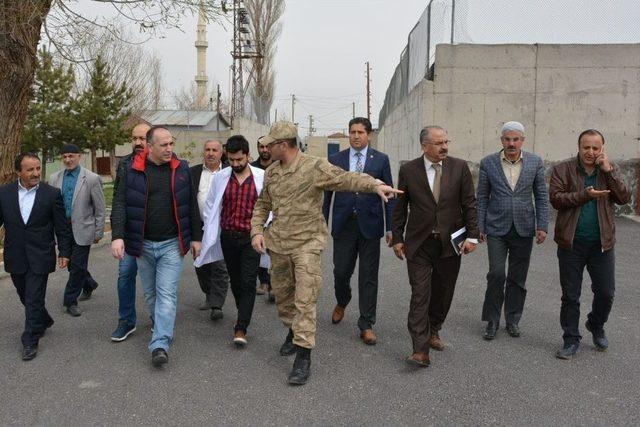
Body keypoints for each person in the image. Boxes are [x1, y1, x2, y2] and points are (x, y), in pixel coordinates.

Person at [250, 121, 401, 385]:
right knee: (284, 300)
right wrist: (256, 231)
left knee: (305, 300)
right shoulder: (272, 172)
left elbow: (345, 178)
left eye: (270, 144)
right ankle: (292, 331)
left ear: (283, 145)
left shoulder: (314, 166)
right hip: (279, 244)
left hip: (307, 243)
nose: (266, 148)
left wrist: (374, 185)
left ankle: (303, 357)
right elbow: (262, 204)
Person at [110, 125, 202, 367]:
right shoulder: (131, 170)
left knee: (167, 295)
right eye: (164, 145)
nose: (170, 149)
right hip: (142, 245)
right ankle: (160, 323)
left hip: (171, 244)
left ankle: (160, 343)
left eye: (172, 144)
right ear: (150, 147)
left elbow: (191, 205)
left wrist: (196, 237)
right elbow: (119, 203)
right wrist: (117, 236)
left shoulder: (181, 169)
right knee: (151, 294)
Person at [392, 125, 478, 368]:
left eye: (446, 142)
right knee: (420, 294)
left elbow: (469, 204)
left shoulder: (459, 167)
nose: (445, 147)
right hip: (418, 244)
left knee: (443, 292)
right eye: (439, 143)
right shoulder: (409, 170)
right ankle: (420, 350)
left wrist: (472, 236)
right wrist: (397, 237)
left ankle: (434, 329)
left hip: (450, 244)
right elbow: (400, 207)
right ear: (424, 146)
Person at [549, 129, 630, 359]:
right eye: (586, 147)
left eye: (596, 148)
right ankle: (570, 339)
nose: (590, 152)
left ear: (602, 149)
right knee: (571, 295)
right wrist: (585, 195)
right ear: (579, 146)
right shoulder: (562, 169)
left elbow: (624, 198)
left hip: (602, 244)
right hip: (571, 243)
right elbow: (556, 199)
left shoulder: (609, 170)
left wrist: (610, 172)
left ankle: (595, 324)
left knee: (605, 292)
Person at [322, 117, 395, 345]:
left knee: (368, 276)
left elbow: (389, 195)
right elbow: (326, 195)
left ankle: (366, 323)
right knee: (341, 272)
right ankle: (342, 300)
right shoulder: (336, 159)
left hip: (370, 225)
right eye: (352, 132)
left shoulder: (381, 160)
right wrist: (321, 224)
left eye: (360, 132)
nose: (355, 136)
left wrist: (391, 226)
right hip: (344, 225)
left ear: (369, 135)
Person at [476, 121, 549, 340]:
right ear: (501, 141)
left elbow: (542, 196)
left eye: (515, 139)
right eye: (507, 139)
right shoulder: (488, 163)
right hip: (496, 227)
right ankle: (492, 319)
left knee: (518, 277)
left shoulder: (535, 163)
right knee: (496, 274)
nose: (511, 143)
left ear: (522, 141)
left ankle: (513, 319)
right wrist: (480, 226)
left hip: (524, 228)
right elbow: (482, 197)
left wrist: (542, 226)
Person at [196, 135, 267, 346]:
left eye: (239, 160)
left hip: (251, 238)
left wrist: (263, 231)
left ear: (247, 155)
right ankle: (242, 311)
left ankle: (241, 327)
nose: (235, 164)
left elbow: (269, 207)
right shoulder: (222, 177)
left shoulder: (262, 177)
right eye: (232, 160)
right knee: (236, 282)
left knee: (247, 281)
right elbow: (211, 206)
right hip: (228, 237)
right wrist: (208, 231)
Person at [0, 153, 71, 360]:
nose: (35, 173)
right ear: (18, 171)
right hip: (16, 255)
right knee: (24, 294)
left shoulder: (51, 194)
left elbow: (62, 227)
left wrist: (64, 252)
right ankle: (44, 319)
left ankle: (30, 339)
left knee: (33, 297)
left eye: (38, 168)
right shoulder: (4, 194)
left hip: (41, 254)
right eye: (30, 169)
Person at [49, 144, 105, 317]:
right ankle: (89, 284)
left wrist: (98, 231)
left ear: (79, 156)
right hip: (62, 229)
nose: (68, 160)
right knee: (72, 264)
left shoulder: (91, 178)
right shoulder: (54, 178)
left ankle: (70, 301)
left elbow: (100, 208)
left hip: (83, 228)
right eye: (64, 156)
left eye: (71, 156)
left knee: (77, 265)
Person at [110, 122, 150, 341]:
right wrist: (117, 235)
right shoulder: (124, 164)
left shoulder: (164, 163)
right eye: (134, 138)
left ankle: (158, 318)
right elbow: (118, 202)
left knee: (154, 281)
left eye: (142, 138)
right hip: (130, 235)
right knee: (125, 276)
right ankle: (126, 320)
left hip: (155, 236)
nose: (137, 143)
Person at [190, 139, 230, 319]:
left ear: (222, 153)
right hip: (200, 228)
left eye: (215, 150)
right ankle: (208, 294)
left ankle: (217, 305)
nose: (211, 153)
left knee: (220, 266)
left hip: (222, 227)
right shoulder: (193, 173)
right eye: (207, 149)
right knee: (201, 264)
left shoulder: (229, 173)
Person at [250, 136, 275, 300]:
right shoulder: (251, 168)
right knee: (259, 248)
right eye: (261, 147)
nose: (264, 150)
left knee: (274, 250)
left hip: (277, 214)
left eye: (267, 147)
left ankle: (274, 285)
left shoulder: (279, 166)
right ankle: (263, 282)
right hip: (258, 213)